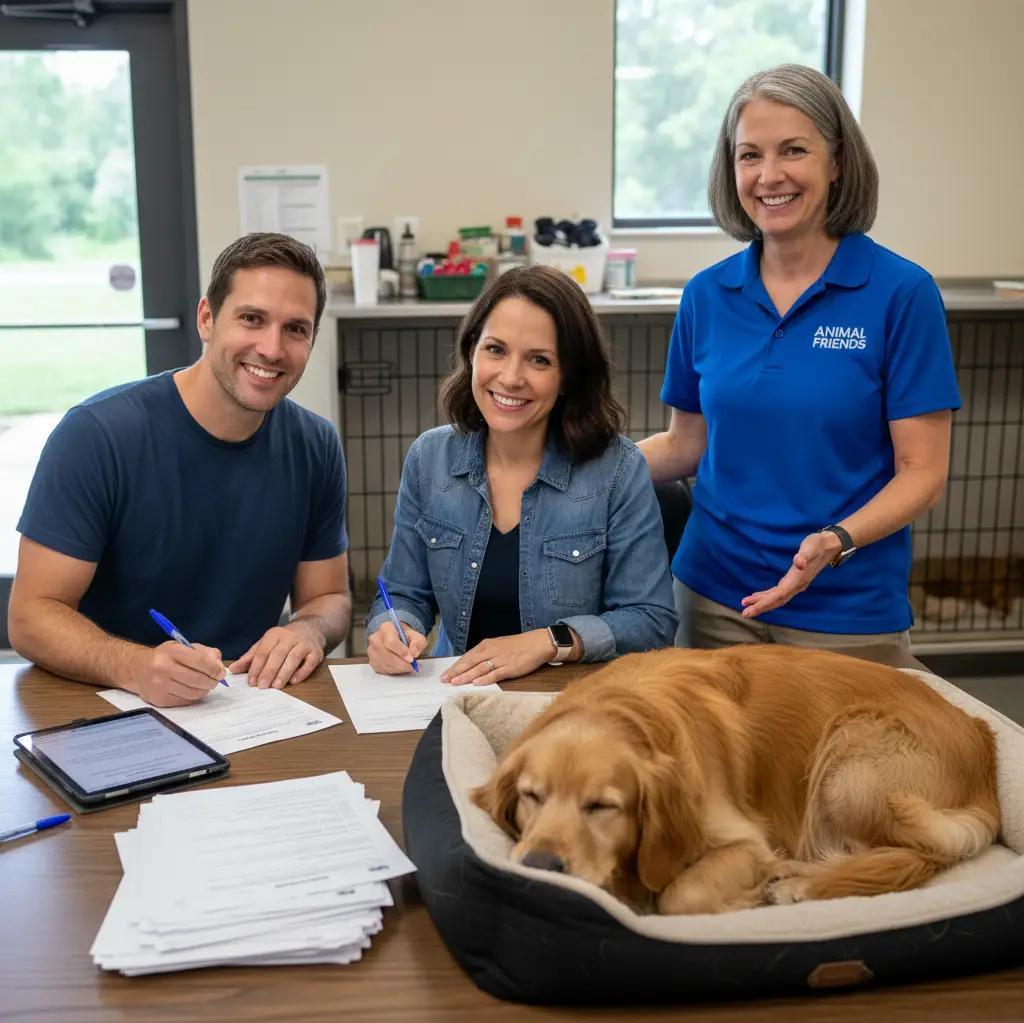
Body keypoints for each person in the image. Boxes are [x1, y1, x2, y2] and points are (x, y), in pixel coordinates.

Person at [638, 64, 960, 652]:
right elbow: (686, 444)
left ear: (837, 162)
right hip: (711, 599)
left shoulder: (901, 294)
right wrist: (563, 465)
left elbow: (924, 472)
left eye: (793, 150)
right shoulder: (706, 296)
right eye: (749, 155)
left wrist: (834, 541)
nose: (769, 176)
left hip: (848, 609)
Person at [9, 232, 352, 706]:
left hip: (247, 705)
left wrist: (308, 630)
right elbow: (30, 616)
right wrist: (133, 666)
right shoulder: (95, 435)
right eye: (251, 319)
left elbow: (329, 597)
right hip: (108, 701)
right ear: (207, 319)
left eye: (295, 329)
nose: (272, 349)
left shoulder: (317, 445)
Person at [365, 265, 677, 684]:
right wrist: (393, 628)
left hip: (573, 705)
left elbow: (652, 620)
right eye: (495, 350)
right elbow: (402, 592)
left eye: (539, 360)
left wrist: (551, 641)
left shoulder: (617, 469)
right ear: (471, 351)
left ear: (569, 376)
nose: (510, 378)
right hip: (453, 694)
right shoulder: (429, 458)